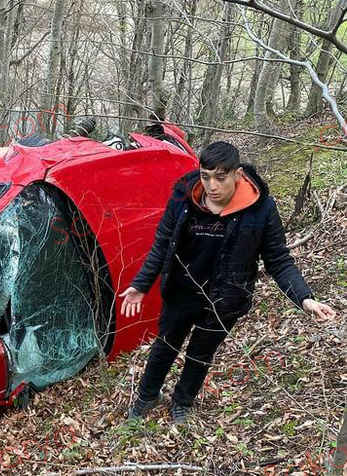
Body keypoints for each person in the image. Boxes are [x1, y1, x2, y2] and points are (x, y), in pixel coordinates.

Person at [120, 141, 337, 424]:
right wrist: (141, 285)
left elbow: (278, 259)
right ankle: (147, 397)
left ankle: (182, 402)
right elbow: (162, 245)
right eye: (205, 176)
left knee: (200, 354)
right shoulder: (184, 197)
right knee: (165, 347)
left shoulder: (261, 208)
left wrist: (304, 297)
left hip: (226, 298)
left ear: (237, 175)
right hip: (182, 291)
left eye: (220, 178)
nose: (212, 185)